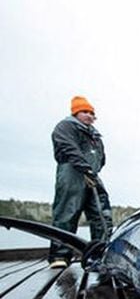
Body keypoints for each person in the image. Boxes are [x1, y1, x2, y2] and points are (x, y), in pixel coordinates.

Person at [48, 96, 113, 268]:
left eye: (92, 113)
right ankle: (59, 256)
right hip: (72, 173)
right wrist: (85, 169)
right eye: (85, 112)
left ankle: (101, 253)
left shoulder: (95, 135)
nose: (90, 116)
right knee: (67, 213)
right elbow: (68, 148)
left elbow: (101, 157)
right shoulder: (65, 127)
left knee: (102, 215)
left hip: (93, 175)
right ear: (75, 112)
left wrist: (93, 171)